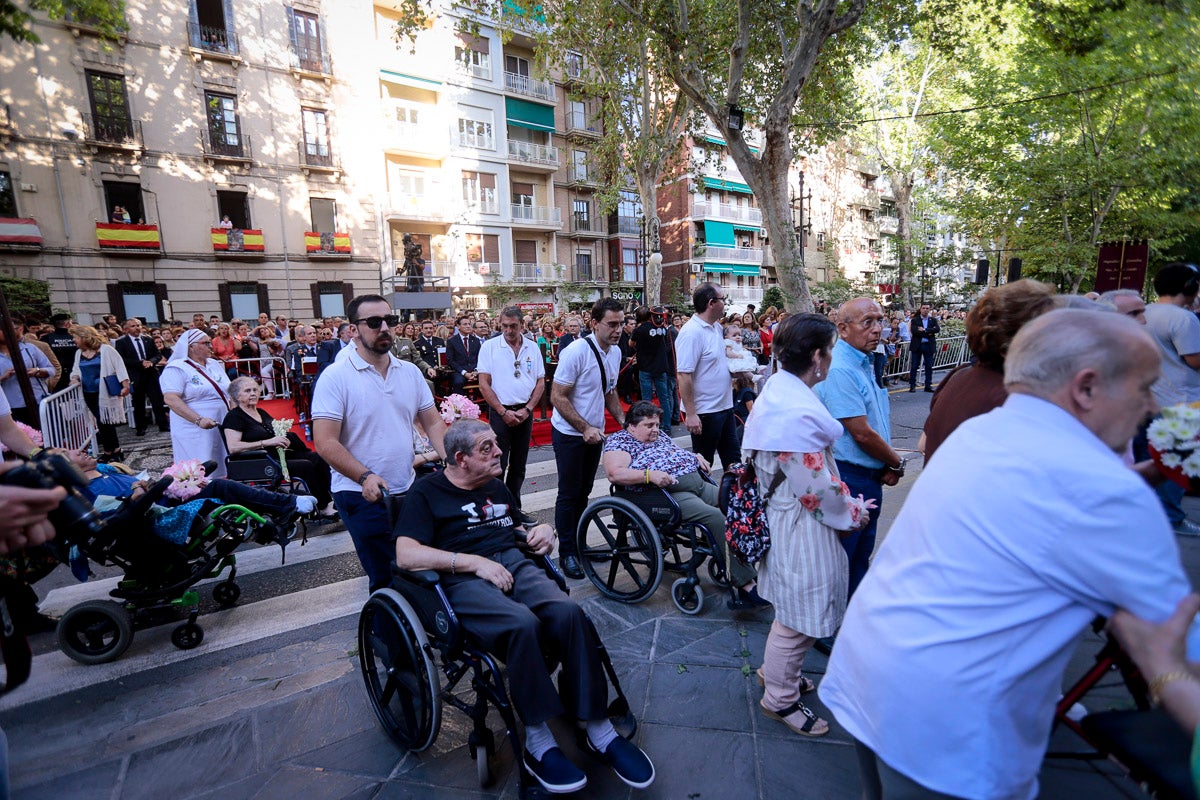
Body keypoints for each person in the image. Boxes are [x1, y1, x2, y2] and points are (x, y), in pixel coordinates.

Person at [820, 308, 1200, 800]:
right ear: (1085, 388)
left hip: (872, 670)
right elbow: (1180, 642)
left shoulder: (979, 433)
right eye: (1143, 385)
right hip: (949, 723)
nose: (1150, 405)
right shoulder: (1104, 492)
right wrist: (1168, 671)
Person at [395, 420, 654, 793]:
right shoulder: (426, 493)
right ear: (460, 458)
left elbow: (519, 525)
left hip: (513, 562)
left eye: (496, 445)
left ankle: (597, 727)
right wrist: (473, 563)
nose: (499, 451)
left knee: (570, 612)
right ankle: (538, 741)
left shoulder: (497, 487)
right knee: (521, 624)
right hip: (462, 576)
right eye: (487, 448)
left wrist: (544, 531)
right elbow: (406, 554)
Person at [742, 314, 873, 738]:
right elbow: (816, 492)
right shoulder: (795, 415)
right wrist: (855, 513)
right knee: (797, 622)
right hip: (801, 529)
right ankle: (779, 698)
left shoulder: (779, 392)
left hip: (787, 521)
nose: (831, 358)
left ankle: (777, 674)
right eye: (830, 350)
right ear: (817, 356)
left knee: (791, 610)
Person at [312, 295, 447, 592]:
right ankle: (386, 634)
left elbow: (433, 421)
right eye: (374, 322)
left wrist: (452, 459)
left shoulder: (409, 372)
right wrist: (364, 475)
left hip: (407, 486)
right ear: (353, 329)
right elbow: (324, 442)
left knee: (417, 566)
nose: (385, 327)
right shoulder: (335, 377)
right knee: (387, 576)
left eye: (391, 321)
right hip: (360, 493)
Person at [602, 401, 765, 608]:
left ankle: (743, 562)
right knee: (716, 518)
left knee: (739, 505)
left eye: (657, 425)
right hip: (666, 494)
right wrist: (648, 475)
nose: (655, 430)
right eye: (649, 425)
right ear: (631, 426)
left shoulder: (658, 436)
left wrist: (694, 456)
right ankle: (746, 586)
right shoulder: (620, 442)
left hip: (697, 484)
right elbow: (615, 474)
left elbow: (673, 452)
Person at [815, 298, 904, 641]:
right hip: (849, 477)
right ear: (843, 327)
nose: (878, 328)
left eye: (880, 320)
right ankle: (827, 631)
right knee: (842, 560)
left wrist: (887, 464)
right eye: (867, 322)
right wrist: (896, 461)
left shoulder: (864, 362)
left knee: (858, 558)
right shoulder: (841, 369)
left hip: (867, 476)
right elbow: (861, 432)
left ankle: (851, 626)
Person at [922, 279, 1057, 463]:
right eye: (1049, 332)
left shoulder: (959, 376)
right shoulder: (1011, 401)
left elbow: (923, 444)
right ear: (1012, 343)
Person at [550, 298, 625, 579]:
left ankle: (579, 543)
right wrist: (583, 427)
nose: (618, 330)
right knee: (569, 494)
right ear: (594, 324)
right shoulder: (576, 352)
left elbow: (610, 390)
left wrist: (622, 420)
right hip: (571, 433)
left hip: (594, 433)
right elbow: (557, 396)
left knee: (584, 491)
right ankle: (567, 552)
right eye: (612, 324)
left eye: (621, 323)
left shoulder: (615, 352)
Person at [1138, 263, 1200, 536]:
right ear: (1188, 287)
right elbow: (1194, 360)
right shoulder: (1184, 319)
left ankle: (1147, 517)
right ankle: (1171, 519)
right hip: (1181, 401)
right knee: (1175, 464)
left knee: (1148, 462)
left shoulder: (1145, 313)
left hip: (1148, 399)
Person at [222, 376, 335, 517]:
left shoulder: (261, 412)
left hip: (279, 455)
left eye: (255, 390)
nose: (253, 393)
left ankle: (335, 496)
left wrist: (284, 437)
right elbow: (233, 447)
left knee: (318, 458)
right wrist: (266, 442)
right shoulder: (234, 417)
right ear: (237, 396)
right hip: (259, 461)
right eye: (247, 391)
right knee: (305, 465)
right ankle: (322, 506)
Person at [478, 306, 544, 523]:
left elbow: (540, 381)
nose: (508, 330)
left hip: (524, 412)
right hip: (500, 412)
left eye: (513, 326)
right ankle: (498, 510)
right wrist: (502, 411)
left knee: (519, 465)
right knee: (497, 463)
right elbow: (484, 384)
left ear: (522, 325)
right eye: (504, 326)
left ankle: (514, 508)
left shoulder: (532, 347)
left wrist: (528, 409)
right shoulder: (489, 347)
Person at [676, 283, 740, 471]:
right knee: (704, 464)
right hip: (705, 412)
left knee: (734, 461)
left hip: (725, 407)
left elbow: (717, 363)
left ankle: (733, 498)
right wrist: (692, 413)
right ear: (711, 303)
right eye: (723, 300)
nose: (725, 304)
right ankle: (705, 500)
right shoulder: (691, 333)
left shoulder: (717, 328)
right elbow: (683, 374)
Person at [160, 329, 233, 478]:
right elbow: (171, 398)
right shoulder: (177, 367)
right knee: (201, 461)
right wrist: (198, 420)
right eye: (205, 343)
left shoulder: (214, 363)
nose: (210, 346)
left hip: (220, 420)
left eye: (210, 342)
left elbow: (229, 390)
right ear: (191, 346)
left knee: (221, 457)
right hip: (193, 426)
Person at [66, 325, 129, 462]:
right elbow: (76, 370)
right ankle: (114, 450)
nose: (73, 340)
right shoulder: (78, 353)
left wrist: (125, 385)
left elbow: (119, 366)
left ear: (84, 337)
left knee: (106, 421)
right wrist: (74, 378)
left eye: (75, 337)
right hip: (89, 393)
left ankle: (112, 451)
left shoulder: (106, 350)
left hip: (106, 392)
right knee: (102, 422)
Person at [115, 317, 170, 436]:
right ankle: (141, 427)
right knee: (138, 402)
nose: (136, 328)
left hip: (151, 374)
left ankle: (163, 425)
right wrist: (140, 363)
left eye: (138, 325)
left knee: (157, 400)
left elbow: (157, 355)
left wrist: (151, 362)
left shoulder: (148, 340)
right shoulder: (121, 342)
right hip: (135, 375)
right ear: (127, 329)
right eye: (133, 326)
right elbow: (122, 360)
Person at [0, 316, 56, 427]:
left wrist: (38, 371)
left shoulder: (30, 348)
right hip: (10, 405)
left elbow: (51, 369)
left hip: (36, 400)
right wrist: (3, 377)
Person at [630, 306, 674, 435]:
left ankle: (648, 427)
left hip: (645, 368)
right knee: (664, 398)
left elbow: (631, 344)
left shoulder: (639, 330)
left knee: (647, 400)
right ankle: (667, 427)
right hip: (660, 367)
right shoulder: (663, 328)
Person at [908, 303, 940, 392]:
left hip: (929, 346)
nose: (925, 310)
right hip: (917, 345)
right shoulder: (915, 320)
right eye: (923, 308)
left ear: (929, 310)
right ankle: (912, 385)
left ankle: (928, 385)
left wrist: (925, 330)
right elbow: (915, 331)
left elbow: (937, 329)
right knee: (914, 366)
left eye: (927, 308)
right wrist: (929, 333)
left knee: (929, 366)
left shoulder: (933, 320)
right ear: (920, 309)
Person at [446, 315, 482, 394]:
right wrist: (464, 373)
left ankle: (485, 405)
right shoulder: (452, 341)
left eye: (469, 324)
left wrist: (476, 370)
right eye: (465, 324)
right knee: (458, 382)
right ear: (458, 326)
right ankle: (460, 405)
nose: (468, 326)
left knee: (488, 379)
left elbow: (480, 358)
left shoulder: (476, 340)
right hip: (459, 371)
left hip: (475, 370)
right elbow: (450, 361)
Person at [41, 313, 78, 381]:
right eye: (71, 322)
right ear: (67, 324)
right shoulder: (77, 337)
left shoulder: (45, 338)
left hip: (55, 374)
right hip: (75, 373)